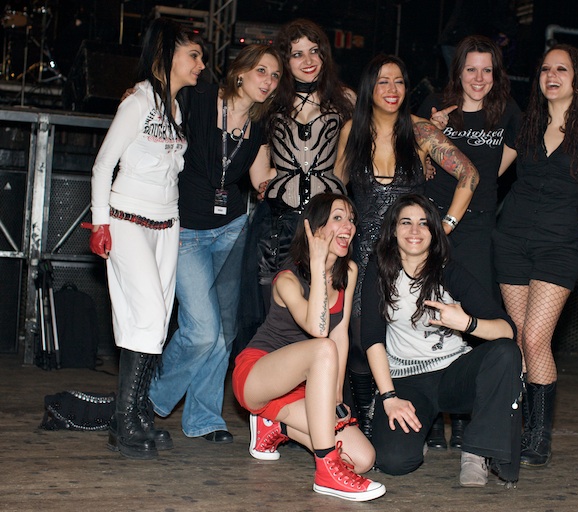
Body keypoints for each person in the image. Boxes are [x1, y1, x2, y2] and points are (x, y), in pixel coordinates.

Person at [334, 54, 479, 438]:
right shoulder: (352, 131)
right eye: (383, 81)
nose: (392, 89)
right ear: (370, 87)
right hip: (364, 251)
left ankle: (421, 416)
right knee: (360, 340)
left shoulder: (421, 131)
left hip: (410, 254)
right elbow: (336, 187)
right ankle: (367, 417)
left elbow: (469, 174)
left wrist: (444, 227)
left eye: (399, 81)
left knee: (413, 334)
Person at [146, 45, 282, 444]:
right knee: (202, 330)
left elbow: (260, 179)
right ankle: (149, 399)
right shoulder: (200, 97)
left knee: (224, 332)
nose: (268, 81)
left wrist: (299, 169)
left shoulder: (260, 124)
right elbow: (160, 94)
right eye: (262, 71)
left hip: (232, 230)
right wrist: (138, 94)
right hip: (187, 229)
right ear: (241, 71)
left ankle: (203, 417)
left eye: (275, 76)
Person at [86, 18, 205, 459]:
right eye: (193, 55)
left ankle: (136, 415)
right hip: (127, 219)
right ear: (168, 55)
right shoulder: (137, 101)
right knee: (150, 314)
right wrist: (100, 223)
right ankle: (123, 419)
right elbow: (103, 164)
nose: (201, 64)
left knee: (154, 324)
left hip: (166, 223)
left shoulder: (176, 107)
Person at [489, 44, 578, 469]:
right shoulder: (525, 124)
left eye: (561, 69)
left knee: (536, 339)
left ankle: (539, 438)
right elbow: (486, 171)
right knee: (519, 337)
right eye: (545, 69)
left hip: (559, 245)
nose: (551, 76)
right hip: (511, 239)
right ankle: (522, 429)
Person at [360, 193, 522, 487]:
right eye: (406, 222)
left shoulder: (449, 271)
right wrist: (388, 397)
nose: (415, 230)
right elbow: (372, 338)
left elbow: (507, 329)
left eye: (424, 223)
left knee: (506, 352)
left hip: (453, 374)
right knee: (394, 462)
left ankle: (477, 450)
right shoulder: (380, 271)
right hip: (406, 379)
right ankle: (416, 432)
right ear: (393, 230)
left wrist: (468, 323)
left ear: (434, 232)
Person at [232, 193, 386, 502]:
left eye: (351, 220)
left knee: (362, 458)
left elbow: (340, 333)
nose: (349, 226)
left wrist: (336, 396)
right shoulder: (287, 280)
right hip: (258, 376)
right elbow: (319, 330)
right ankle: (326, 473)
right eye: (338, 218)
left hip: (303, 387)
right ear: (314, 228)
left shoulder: (348, 272)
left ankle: (274, 426)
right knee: (322, 347)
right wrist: (317, 265)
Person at [418, 34, 522, 449]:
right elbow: (414, 158)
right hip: (434, 228)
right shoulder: (437, 108)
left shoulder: (507, 113)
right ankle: (430, 415)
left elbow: (499, 168)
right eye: (471, 69)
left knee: (472, 321)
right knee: (428, 315)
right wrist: (431, 137)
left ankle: (463, 417)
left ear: (496, 74)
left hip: (478, 229)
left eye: (487, 70)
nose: (479, 78)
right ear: (458, 71)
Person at [256, 18, 355, 303]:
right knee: (272, 299)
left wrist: (426, 142)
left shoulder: (345, 98)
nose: (308, 61)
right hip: (278, 221)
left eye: (314, 51)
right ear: (285, 60)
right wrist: (268, 180)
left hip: (327, 221)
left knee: (324, 297)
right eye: (297, 54)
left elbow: (386, 121)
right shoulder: (270, 100)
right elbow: (259, 171)